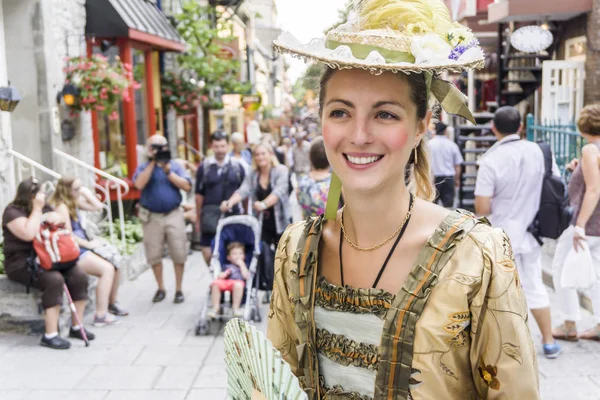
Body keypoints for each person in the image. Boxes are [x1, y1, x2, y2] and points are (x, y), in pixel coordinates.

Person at [267, 1, 539, 398]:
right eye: (340, 112)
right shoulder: (295, 251)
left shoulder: (475, 256)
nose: (359, 135)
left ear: (421, 126)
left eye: (386, 115)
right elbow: (276, 381)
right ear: (321, 121)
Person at [474, 106, 561, 358]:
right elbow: (553, 183)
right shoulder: (540, 151)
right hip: (531, 232)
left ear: (494, 128)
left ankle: (507, 348)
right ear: (521, 126)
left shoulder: (490, 160)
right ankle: (548, 340)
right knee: (534, 285)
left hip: (499, 237)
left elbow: (482, 207)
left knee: (498, 292)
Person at [2, 178, 93, 349]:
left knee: (79, 276)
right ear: (31, 195)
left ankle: (76, 326)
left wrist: (55, 217)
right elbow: (28, 234)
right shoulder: (12, 212)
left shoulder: (45, 207)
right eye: (42, 193)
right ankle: (50, 335)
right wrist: (37, 210)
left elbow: (61, 223)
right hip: (22, 263)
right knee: (54, 280)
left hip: (51, 257)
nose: (44, 196)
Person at [49, 177, 127, 326]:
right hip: (74, 250)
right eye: (76, 189)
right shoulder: (62, 207)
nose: (79, 192)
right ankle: (100, 315)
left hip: (83, 245)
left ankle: (111, 303)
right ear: (66, 190)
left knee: (116, 262)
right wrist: (89, 245)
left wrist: (85, 192)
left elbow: (98, 206)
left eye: (80, 188)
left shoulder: (73, 201)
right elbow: (68, 234)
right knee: (107, 269)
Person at [552, 104, 600, 341]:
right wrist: (577, 168)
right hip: (598, 225)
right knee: (598, 275)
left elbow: (593, 189)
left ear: (583, 126)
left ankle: (569, 324)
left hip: (586, 224)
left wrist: (579, 225)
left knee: (561, 268)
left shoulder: (591, 150)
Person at [134, 134, 192, 304]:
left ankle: (179, 289)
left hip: (173, 213)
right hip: (152, 216)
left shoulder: (175, 166)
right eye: (154, 147)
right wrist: (153, 163)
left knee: (179, 252)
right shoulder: (144, 166)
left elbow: (187, 186)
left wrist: (168, 171)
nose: (159, 150)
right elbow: (138, 185)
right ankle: (160, 288)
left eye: (161, 146)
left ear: (167, 147)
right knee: (154, 254)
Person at [221, 142, 290, 247]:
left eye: (263, 153)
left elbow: (279, 192)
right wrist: (229, 202)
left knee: (282, 257)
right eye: (257, 154)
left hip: (280, 220)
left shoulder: (281, 170)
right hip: (261, 221)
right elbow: (243, 190)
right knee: (262, 255)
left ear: (270, 154)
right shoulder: (253, 173)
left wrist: (263, 204)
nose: (260, 157)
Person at [195, 131, 246, 265]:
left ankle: (230, 278)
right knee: (207, 251)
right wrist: (198, 217)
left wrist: (246, 214)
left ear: (228, 146)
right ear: (211, 146)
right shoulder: (204, 167)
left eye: (223, 146)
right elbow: (199, 194)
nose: (220, 150)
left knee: (233, 250)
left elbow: (244, 191)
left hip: (233, 214)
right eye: (216, 146)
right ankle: (216, 276)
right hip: (210, 215)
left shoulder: (237, 166)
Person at [207, 242, 250, 319]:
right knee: (215, 284)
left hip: (237, 282)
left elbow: (246, 276)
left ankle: (235, 308)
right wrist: (223, 275)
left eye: (240, 254)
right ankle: (215, 308)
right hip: (226, 281)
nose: (238, 256)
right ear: (229, 257)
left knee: (239, 285)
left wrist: (241, 265)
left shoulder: (244, 266)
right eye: (234, 254)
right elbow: (220, 275)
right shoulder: (225, 265)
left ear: (244, 256)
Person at [429, 122, 464, 208]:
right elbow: (457, 165)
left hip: (433, 179)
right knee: (448, 208)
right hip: (449, 178)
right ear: (445, 131)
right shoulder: (452, 145)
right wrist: (457, 180)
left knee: (432, 206)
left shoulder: (429, 144)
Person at [296, 137, 332, 219]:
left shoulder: (301, 181)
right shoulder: (336, 183)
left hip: (309, 229)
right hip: (332, 230)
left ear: (310, 156)